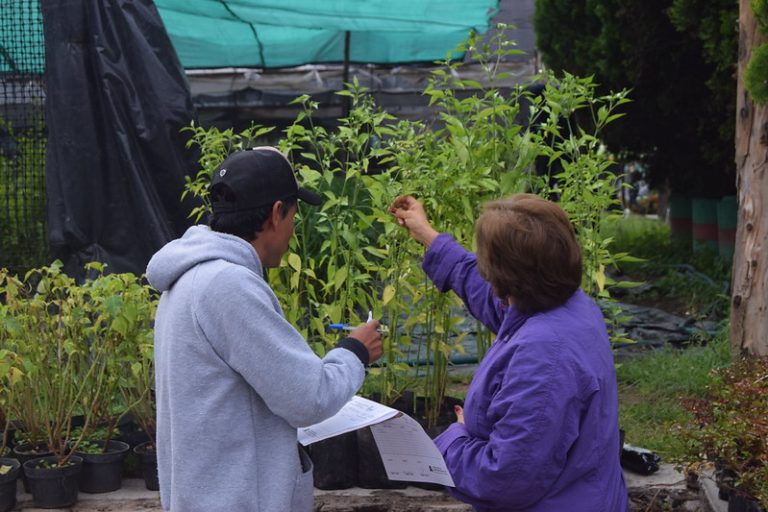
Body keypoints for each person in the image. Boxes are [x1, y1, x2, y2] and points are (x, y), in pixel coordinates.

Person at [147, 147, 383, 512]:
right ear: (276, 213)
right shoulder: (228, 286)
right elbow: (308, 397)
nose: (293, 229)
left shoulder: (187, 278)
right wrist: (355, 352)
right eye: (293, 215)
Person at [390, 194, 628, 512]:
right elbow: (490, 296)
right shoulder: (568, 305)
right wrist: (428, 236)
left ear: (502, 275)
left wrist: (454, 439)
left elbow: (504, 479)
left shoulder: (544, 358)